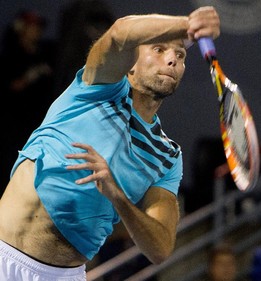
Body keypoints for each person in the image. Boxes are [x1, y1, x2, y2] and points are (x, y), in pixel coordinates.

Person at [0, 6, 220, 281]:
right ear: (130, 64)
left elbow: (161, 248)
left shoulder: (167, 156)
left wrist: (117, 195)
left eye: (180, 54)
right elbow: (119, 34)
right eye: (159, 50)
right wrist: (187, 24)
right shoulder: (96, 88)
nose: (172, 60)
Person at [0, 10, 56, 194]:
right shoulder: (11, 55)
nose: (37, 31)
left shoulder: (45, 53)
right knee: (11, 166)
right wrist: (31, 76)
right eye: (33, 26)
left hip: (38, 122)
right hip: (14, 124)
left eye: (39, 27)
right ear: (21, 28)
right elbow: (12, 86)